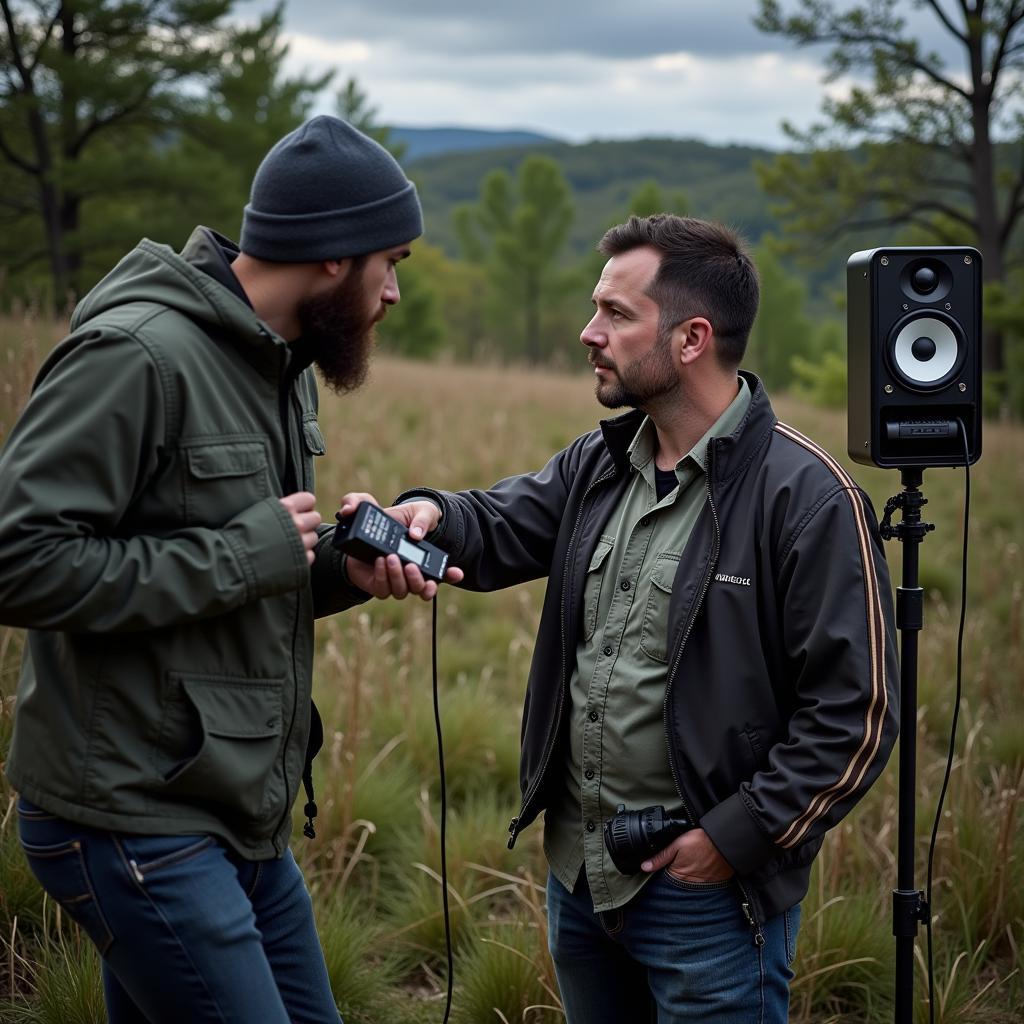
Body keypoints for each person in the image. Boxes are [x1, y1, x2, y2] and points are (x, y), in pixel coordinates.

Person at [341, 214, 900, 1023]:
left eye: (616, 313)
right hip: (580, 880)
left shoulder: (808, 499)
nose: (588, 332)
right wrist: (424, 511)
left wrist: (729, 843)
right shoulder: (605, 462)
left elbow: (858, 715)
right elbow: (498, 523)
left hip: (708, 899)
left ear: (691, 339)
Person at [0, 116, 459, 1024]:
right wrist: (242, 553)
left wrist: (335, 570)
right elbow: (20, 561)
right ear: (332, 258)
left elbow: (239, 566)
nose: (395, 293)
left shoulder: (274, 365)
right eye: (390, 261)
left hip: (234, 810)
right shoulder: (136, 354)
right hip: (132, 810)